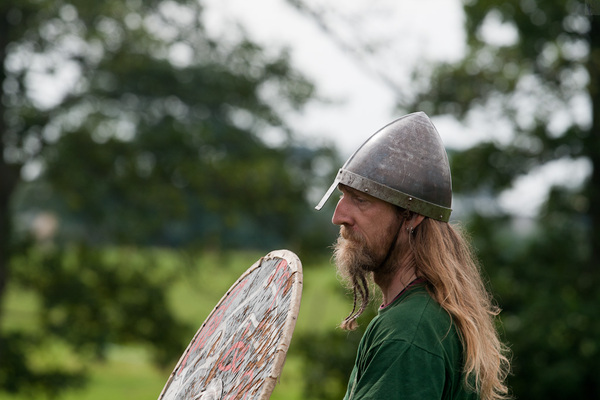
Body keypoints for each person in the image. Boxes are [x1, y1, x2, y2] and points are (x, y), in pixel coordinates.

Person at [315, 112, 511, 400]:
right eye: (342, 197)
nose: (339, 216)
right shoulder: (421, 317)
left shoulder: (408, 332)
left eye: (361, 200)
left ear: (411, 217)